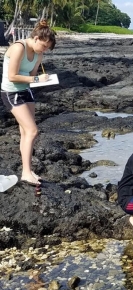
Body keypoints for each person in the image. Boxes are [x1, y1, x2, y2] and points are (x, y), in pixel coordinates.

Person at [1, 20, 56, 185]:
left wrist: (43, 80)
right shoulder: (19, 47)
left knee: (26, 132)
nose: (45, 50)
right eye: (44, 46)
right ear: (37, 38)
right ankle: (25, 172)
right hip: (11, 92)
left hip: (26, 91)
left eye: (47, 48)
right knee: (32, 131)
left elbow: (31, 77)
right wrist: (37, 78)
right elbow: (13, 76)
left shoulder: (39, 54)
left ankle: (28, 169)